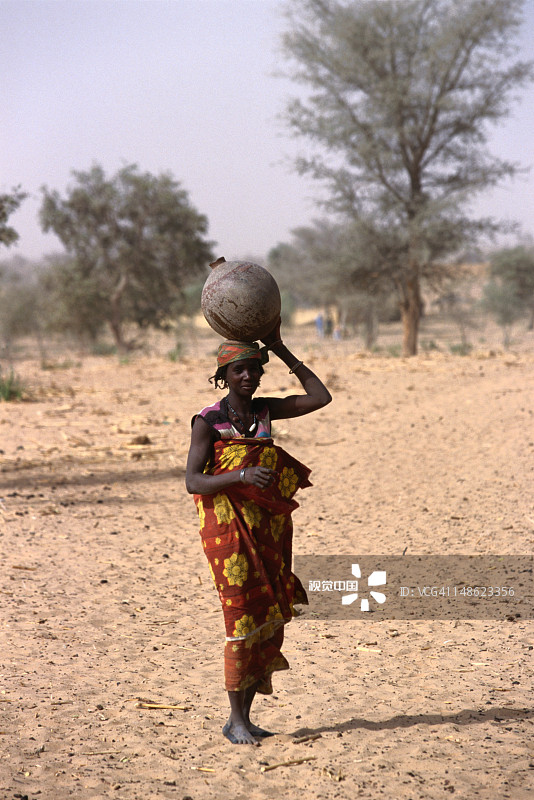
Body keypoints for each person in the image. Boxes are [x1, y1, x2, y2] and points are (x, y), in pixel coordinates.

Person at [185, 320, 332, 745]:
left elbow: (320, 397)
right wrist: (242, 474)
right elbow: (194, 481)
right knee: (240, 615)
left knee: (267, 612)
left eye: (254, 369)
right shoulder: (208, 421)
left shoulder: (266, 410)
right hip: (228, 532)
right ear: (223, 376)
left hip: (270, 528)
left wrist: (280, 348)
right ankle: (233, 720)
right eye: (239, 370)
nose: (248, 376)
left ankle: (245, 718)